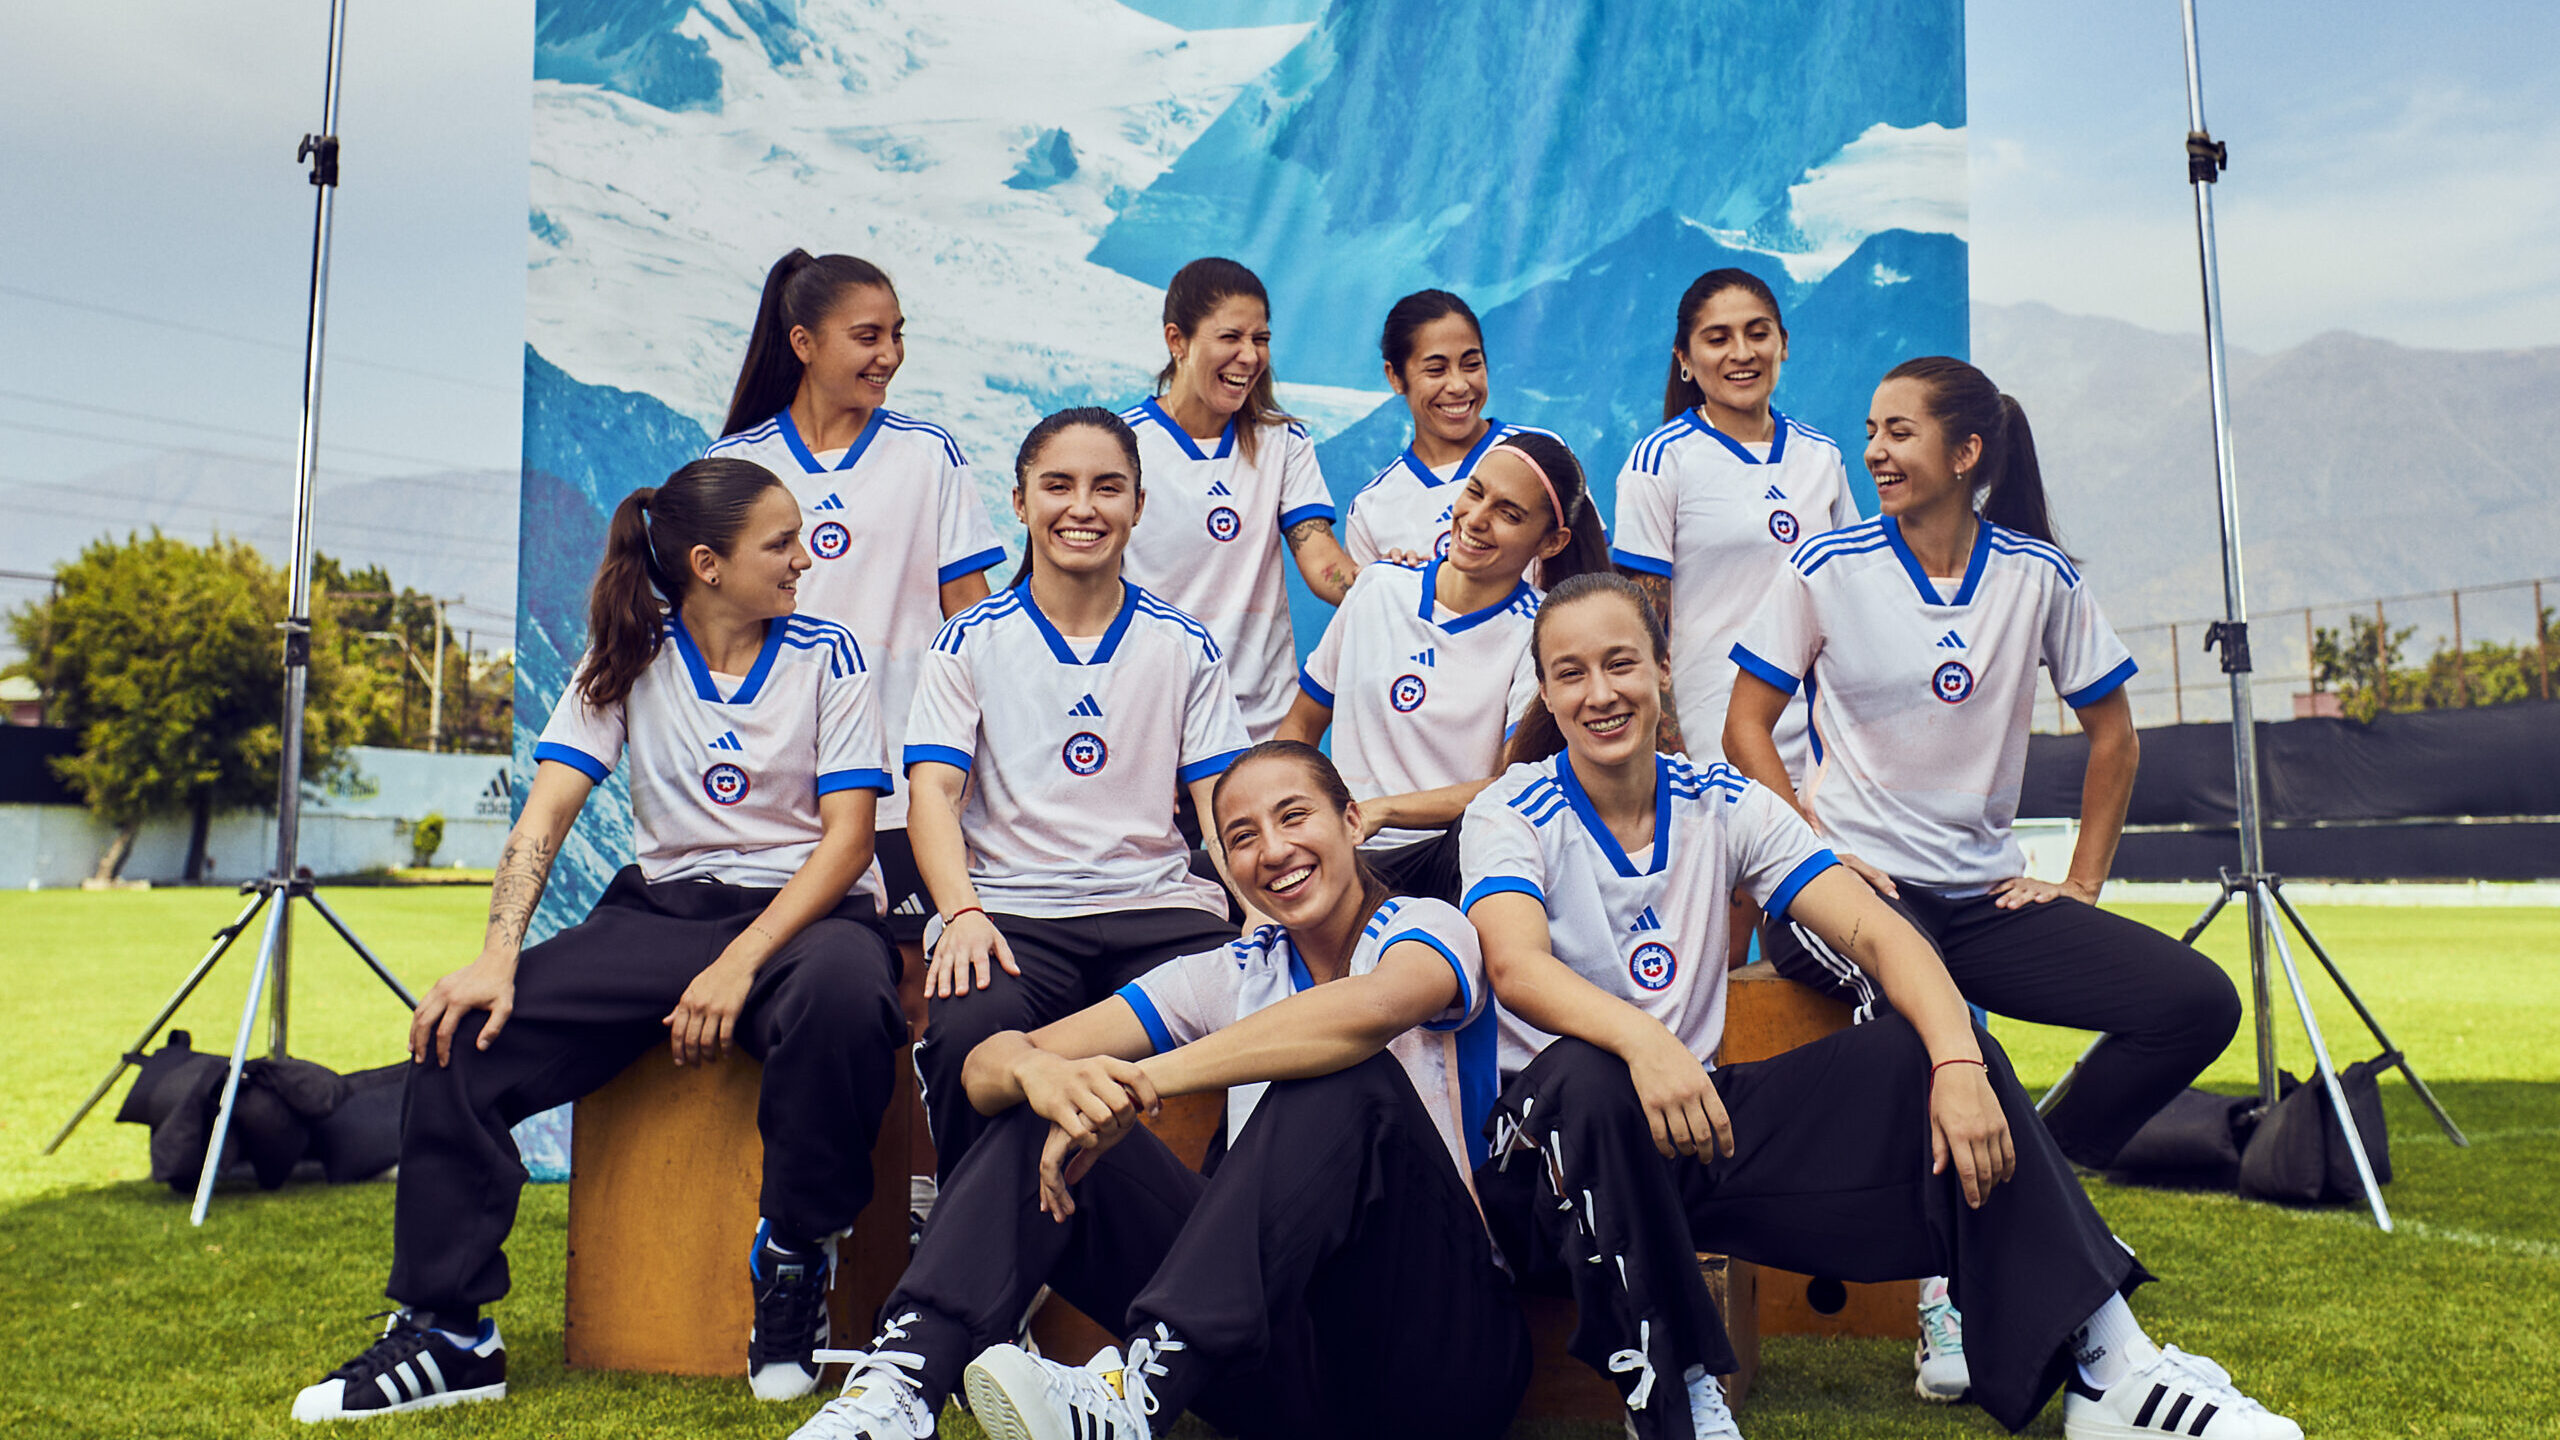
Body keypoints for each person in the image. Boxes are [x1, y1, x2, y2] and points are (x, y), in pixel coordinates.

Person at [1462, 573, 2296, 1440]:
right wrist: (1642, 1041)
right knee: (1593, 1075)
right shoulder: (1510, 811)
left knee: (1922, 1050)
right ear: (1549, 693)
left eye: (1620, 663)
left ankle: (2110, 1370)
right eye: (1571, 673)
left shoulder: (1720, 799)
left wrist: (1960, 1063)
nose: (1600, 693)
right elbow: (1516, 967)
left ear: (1663, 668)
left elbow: (1883, 936)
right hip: (1549, 1167)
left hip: (1691, 1133)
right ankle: (1679, 1401)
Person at [291, 459, 907, 1420]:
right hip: (664, 914)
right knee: (462, 1034)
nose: (806, 558)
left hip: (808, 917)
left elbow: (848, 845)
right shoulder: (624, 654)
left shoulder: (833, 653)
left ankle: (793, 1260)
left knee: (846, 997)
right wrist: (496, 958)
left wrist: (736, 966)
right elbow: (543, 819)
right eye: (780, 543)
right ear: (708, 564)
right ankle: (451, 1335)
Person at [1722, 359, 2246, 1401]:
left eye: (1899, 432)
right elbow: (1743, 727)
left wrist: (2081, 882)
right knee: (1947, 1030)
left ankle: (2022, 1178)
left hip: (1985, 897)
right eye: (1870, 429)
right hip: (1854, 899)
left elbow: (2114, 736)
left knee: (2193, 1004)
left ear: (1966, 454)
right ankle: (1945, 1292)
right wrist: (1812, 845)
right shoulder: (1826, 566)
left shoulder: (2037, 577)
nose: (1875, 450)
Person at [787, 742, 1527, 1440]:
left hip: (1440, 1356)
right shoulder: (1233, 970)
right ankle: (902, 1389)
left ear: (1353, 821)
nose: (1273, 850)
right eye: (1242, 836)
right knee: (1046, 1099)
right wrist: (1039, 1072)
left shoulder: (1429, 927)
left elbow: (1363, 1013)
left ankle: (1136, 1392)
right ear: (1227, 866)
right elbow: (984, 1069)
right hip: (1285, 1363)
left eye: (1294, 816)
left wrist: (1140, 1081)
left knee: (1341, 1074)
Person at [904, 408, 1258, 1181]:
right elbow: (931, 791)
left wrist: (1260, 912)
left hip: (1157, 910)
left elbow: (1220, 802)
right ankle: (976, 1247)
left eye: (1108, 487)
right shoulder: (970, 639)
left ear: (1138, 506)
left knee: (1278, 1016)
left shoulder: (1182, 644)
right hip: (1014, 915)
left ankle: (1227, 1234)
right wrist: (961, 912)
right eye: (1058, 486)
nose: (1083, 507)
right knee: (971, 1034)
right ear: (1021, 502)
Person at [706, 249, 1008, 939]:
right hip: (772, 790)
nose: (890, 354)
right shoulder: (734, 466)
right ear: (803, 344)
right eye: (868, 336)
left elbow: (972, 616)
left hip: (905, 788)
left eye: (898, 334)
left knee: (914, 986)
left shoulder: (928, 455)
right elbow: (711, 637)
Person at [1277, 430, 1607, 903]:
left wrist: (1381, 812)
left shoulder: (1542, 633)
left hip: (1451, 858)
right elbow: (1301, 725)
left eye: (1508, 514)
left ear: (1551, 543)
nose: (1476, 518)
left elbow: (1510, 786)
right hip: (1344, 851)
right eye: (1475, 491)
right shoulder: (1377, 588)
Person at [1612, 269, 1860, 763]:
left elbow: (1851, 603)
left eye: (1758, 333)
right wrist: (1669, 758)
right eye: (1718, 338)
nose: (1742, 353)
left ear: (1783, 343)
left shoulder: (1822, 457)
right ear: (1684, 356)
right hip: (1712, 745)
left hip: (1822, 745)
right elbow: (1640, 631)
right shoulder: (1660, 461)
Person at [1118, 257, 1358, 741]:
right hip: (1151, 726)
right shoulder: (1121, 444)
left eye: (1261, 339)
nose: (1249, 356)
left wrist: (1401, 586)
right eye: (1231, 337)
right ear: (1177, 341)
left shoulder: (1283, 442)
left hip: (1259, 733)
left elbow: (1322, 565)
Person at [1341, 288, 1558, 566]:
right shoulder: (1372, 508)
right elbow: (1370, 606)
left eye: (1471, 364)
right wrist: (1394, 582)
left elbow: (1589, 577)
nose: (1458, 385)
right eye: (1435, 370)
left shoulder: (1540, 455)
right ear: (1395, 377)